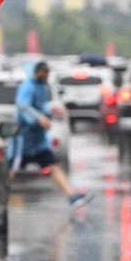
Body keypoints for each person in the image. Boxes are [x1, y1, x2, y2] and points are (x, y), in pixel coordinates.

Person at [14, 61, 92, 209]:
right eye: (43, 72)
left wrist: (49, 113)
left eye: (47, 73)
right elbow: (23, 106)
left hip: (38, 140)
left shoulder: (43, 86)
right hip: (23, 140)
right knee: (11, 169)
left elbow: (42, 105)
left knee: (53, 165)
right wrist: (38, 118)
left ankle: (72, 197)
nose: (45, 75)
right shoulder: (28, 87)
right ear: (36, 72)